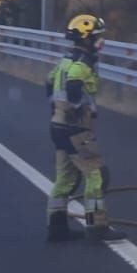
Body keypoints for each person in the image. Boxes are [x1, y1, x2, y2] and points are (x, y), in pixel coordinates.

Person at [45, 14, 127, 243]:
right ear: (86, 38)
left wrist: (56, 109)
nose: (101, 41)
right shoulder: (82, 64)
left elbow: (49, 82)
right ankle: (96, 227)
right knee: (96, 175)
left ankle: (57, 228)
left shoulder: (65, 60)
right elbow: (73, 86)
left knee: (65, 179)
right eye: (97, 37)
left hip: (58, 127)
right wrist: (77, 107)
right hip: (76, 130)